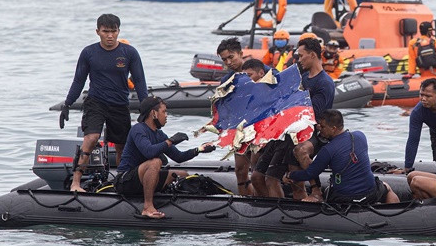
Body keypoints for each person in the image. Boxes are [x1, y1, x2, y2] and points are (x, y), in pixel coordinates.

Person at [60, 14, 147, 192]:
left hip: (120, 104)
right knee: (91, 138)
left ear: (118, 32)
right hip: (96, 103)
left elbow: (139, 81)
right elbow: (78, 81)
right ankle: (75, 182)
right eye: (105, 31)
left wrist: (146, 107)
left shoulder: (129, 53)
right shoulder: (89, 53)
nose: (109, 35)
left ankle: (122, 182)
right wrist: (67, 104)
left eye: (113, 31)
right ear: (98, 31)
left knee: (123, 146)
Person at [254, 37, 335, 201]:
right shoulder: (304, 77)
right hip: (291, 130)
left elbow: (313, 113)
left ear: (312, 55)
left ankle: (316, 190)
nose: (298, 59)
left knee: (295, 177)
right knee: (261, 176)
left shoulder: (325, 83)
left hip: (312, 131)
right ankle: (271, 211)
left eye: (301, 55)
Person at [115, 97, 213, 219]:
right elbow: (149, 152)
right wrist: (170, 141)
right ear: (153, 113)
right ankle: (147, 207)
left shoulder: (159, 134)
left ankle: (165, 200)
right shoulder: (138, 129)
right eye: (164, 112)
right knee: (155, 162)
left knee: (183, 174)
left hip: (143, 178)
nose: (166, 115)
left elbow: (179, 157)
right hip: (126, 180)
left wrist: (199, 149)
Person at [285, 110, 399, 204]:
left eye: (323, 127)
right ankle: (394, 215)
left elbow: (310, 173)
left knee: (329, 191)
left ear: (334, 128)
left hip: (344, 198)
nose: (320, 129)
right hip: (370, 193)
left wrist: (290, 175)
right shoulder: (360, 136)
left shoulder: (327, 150)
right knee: (386, 187)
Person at [216, 37, 253, 194]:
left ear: (241, 53)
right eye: (225, 60)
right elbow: (223, 108)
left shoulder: (258, 69)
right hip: (239, 130)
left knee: (259, 171)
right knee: (240, 169)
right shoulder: (226, 80)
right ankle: (244, 202)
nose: (229, 62)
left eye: (231, 57)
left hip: (260, 128)